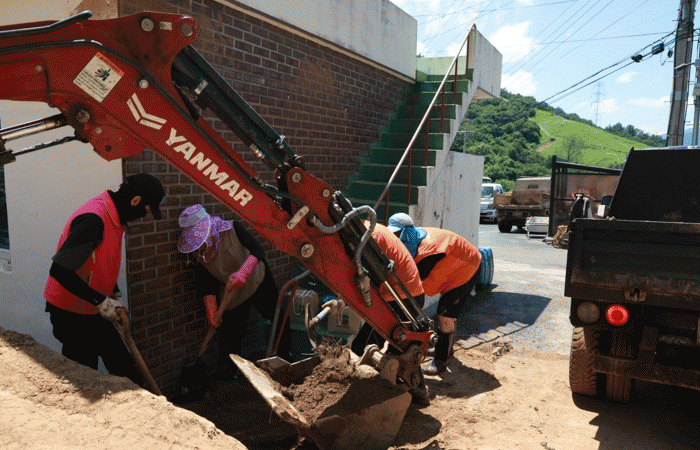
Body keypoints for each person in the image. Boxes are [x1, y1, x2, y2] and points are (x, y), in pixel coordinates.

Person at [44, 173, 165, 386]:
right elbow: (59, 271)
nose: (144, 215)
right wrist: (101, 301)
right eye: (146, 210)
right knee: (85, 376)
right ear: (135, 201)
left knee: (126, 370)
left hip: (93, 308)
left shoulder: (116, 217)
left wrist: (114, 294)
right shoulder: (94, 220)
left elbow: (102, 260)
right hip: (70, 314)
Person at [177, 204, 292, 367]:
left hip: (257, 278)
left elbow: (258, 250)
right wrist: (211, 310)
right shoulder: (197, 255)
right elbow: (206, 284)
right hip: (232, 291)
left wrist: (243, 273)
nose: (200, 246)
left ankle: (285, 355)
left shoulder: (233, 228)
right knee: (233, 333)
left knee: (277, 315)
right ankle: (234, 370)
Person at [387, 213, 482, 375]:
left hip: (467, 267)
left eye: (397, 234)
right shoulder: (414, 240)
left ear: (405, 233)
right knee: (447, 314)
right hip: (454, 265)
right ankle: (447, 350)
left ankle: (440, 361)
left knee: (445, 315)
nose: (394, 238)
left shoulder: (428, 251)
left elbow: (415, 282)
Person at [349, 220, 430, 406]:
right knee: (402, 347)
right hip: (409, 295)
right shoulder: (372, 230)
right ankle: (418, 391)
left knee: (362, 347)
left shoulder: (369, 237)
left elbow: (372, 276)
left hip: (400, 298)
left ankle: (370, 397)